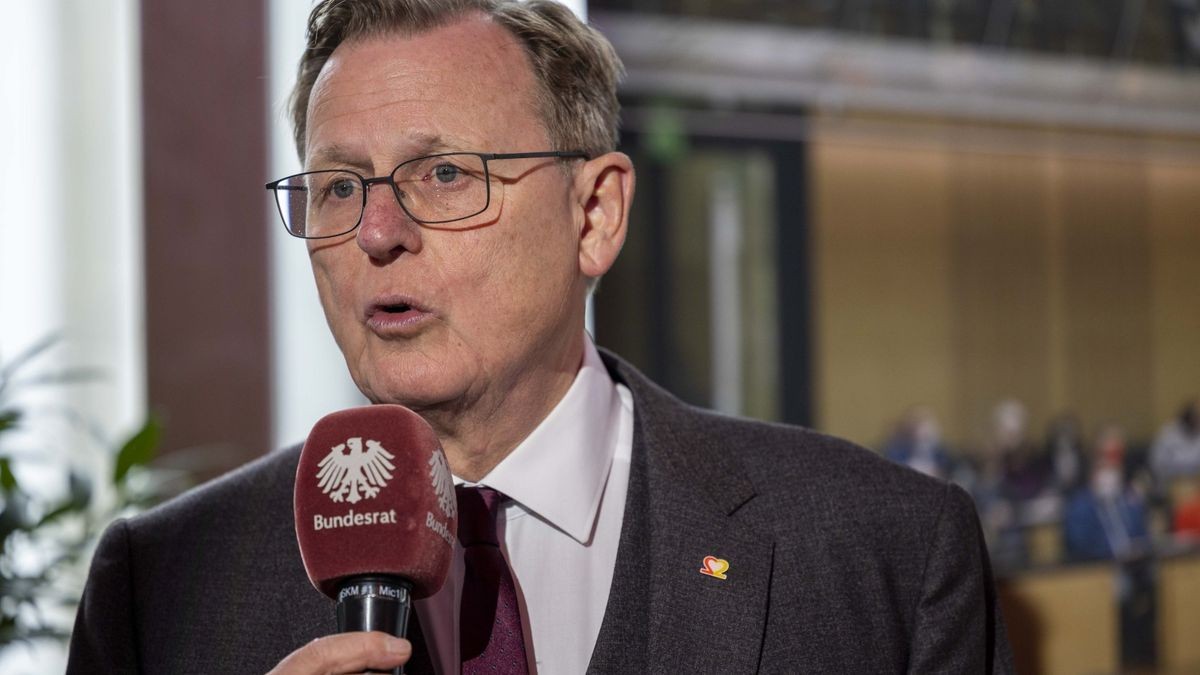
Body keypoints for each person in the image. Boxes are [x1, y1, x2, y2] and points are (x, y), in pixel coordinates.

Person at [67, 1, 1013, 673]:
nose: (377, 233)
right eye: (341, 185)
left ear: (594, 214)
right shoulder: (161, 585)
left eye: (443, 174)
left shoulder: (884, 553)